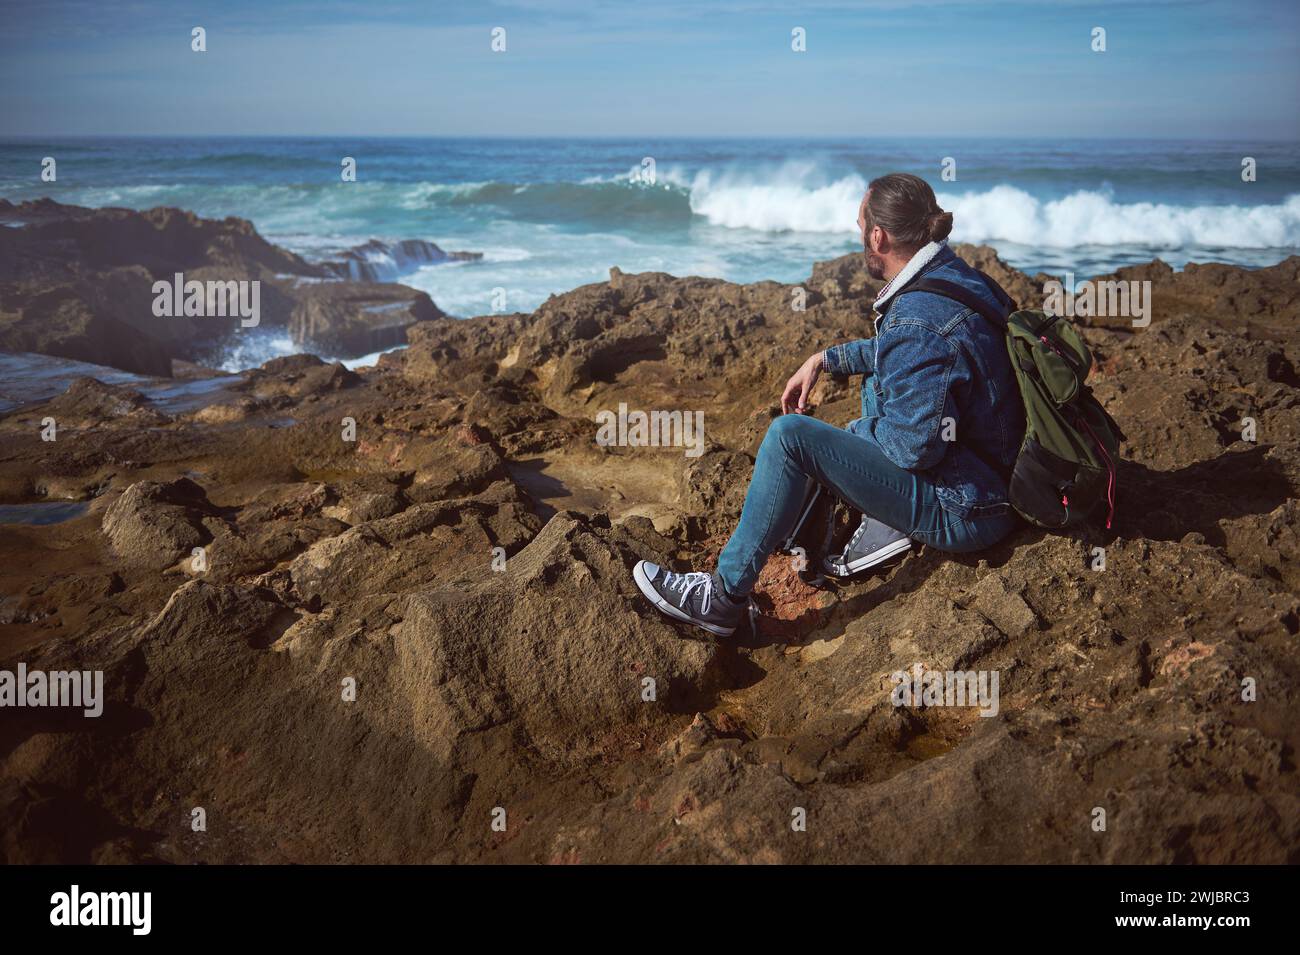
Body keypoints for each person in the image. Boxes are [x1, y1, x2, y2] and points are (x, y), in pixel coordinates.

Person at [632, 172, 1025, 636]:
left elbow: (913, 450)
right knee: (876, 384)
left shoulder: (916, 320)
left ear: (877, 235)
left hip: (968, 508)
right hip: (995, 472)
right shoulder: (955, 277)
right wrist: (826, 359)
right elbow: (912, 355)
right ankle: (884, 521)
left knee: (789, 437)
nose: (859, 235)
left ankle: (722, 599)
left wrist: (846, 441)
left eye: (860, 225)